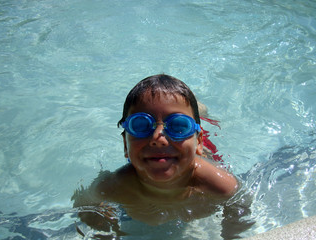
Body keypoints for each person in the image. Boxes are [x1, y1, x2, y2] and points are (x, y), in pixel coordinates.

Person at [72, 74, 239, 236]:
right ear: (125, 144)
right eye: (140, 125)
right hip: (166, 152)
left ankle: (198, 111)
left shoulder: (221, 184)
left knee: (200, 119)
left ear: (199, 143)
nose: (158, 138)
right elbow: (85, 203)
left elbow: (240, 206)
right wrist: (102, 227)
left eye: (179, 125)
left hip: (199, 152)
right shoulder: (113, 186)